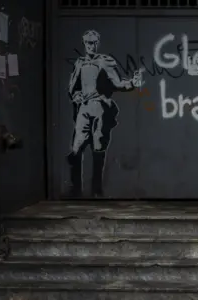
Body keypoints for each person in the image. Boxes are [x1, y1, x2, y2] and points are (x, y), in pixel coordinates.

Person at [67, 29, 142, 197]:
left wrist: (131, 83)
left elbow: (117, 83)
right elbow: (72, 87)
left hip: (100, 106)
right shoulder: (80, 63)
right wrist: (76, 96)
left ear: (97, 43)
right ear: (84, 43)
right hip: (84, 108)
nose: (91, 46)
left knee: (98, 147)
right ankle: (75, 189)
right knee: (76, 148)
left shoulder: (104, 62)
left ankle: (96, 189)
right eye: (88, 43)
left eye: (94, 43)